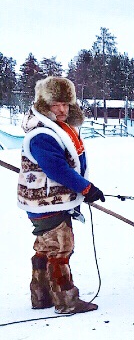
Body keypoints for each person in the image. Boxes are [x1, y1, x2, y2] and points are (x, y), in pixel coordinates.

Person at [17, 76, 106, 314]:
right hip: (48, 202)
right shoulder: (42, 135)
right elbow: (57, 169)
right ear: (44, 105)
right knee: (60, 250)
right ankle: (66, 300)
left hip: (48, 201)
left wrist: (82, 188)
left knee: (45, 248)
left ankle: (41, 296)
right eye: (56, 104)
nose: (62, 109)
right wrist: (85, 188)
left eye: (66, 104)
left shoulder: (60, 129)